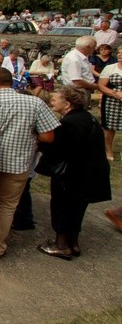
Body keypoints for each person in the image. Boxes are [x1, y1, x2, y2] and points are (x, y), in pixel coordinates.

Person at [0, 67, 60, 259]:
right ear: (12, 83)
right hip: (18, 163)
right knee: (6, 205)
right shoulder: (34, 103)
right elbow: (48, 136)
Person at [38, 86, 112, 260]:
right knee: (77, 209)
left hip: (73, 175)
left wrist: (42, 141)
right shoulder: (87, 118)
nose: (52, 102)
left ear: (67, 104)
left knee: (63, 206)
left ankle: (61, 245)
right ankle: (73, 243)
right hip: (89, 173)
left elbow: (60, 149)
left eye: (55, 99)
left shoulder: (70, 123)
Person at [98, 45, 122, 162]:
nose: (120, 55)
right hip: (112, 101)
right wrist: (116, 94)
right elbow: (101, 85)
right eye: (119, 53)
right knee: (109, 127)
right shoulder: (110, 68)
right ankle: (108, 150)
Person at [60, 36, 99, 102]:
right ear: (88, 47)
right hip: (77, 91)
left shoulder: (81, 57)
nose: (95, 49)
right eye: (94, 47)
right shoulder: (74, 59)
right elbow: (77, 81)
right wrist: (93, 86)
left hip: (81, 90)